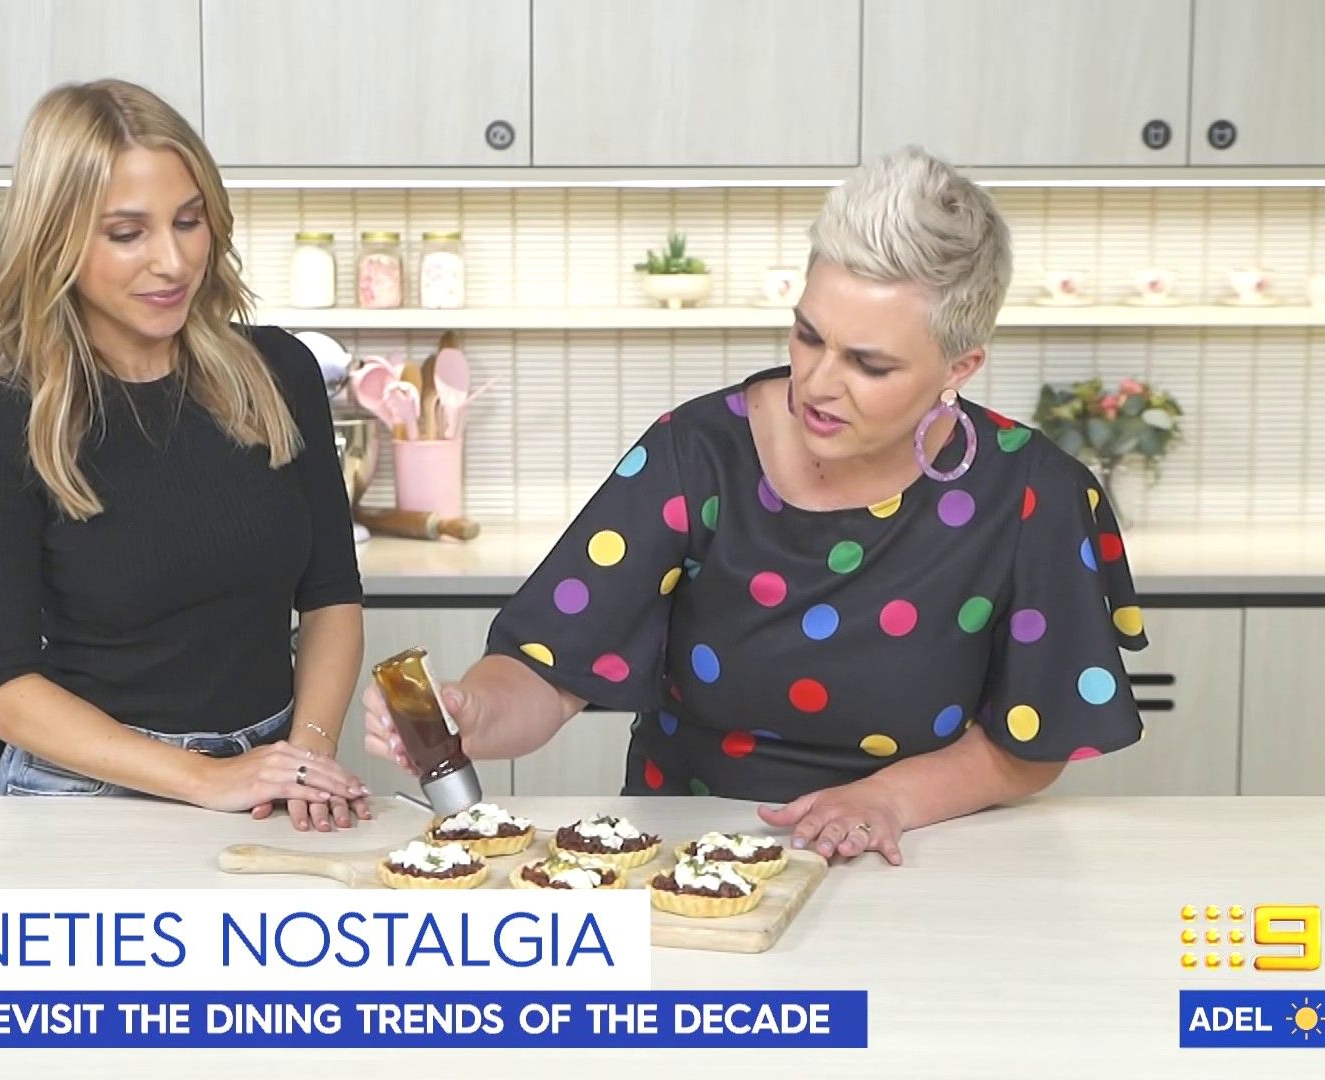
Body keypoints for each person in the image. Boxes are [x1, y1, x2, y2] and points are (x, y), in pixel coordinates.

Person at [364, 147, 1148, 863]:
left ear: (959, 367)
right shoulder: (697, 454)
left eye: (869, 364)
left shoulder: (1032, 495)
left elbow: (1033, 741)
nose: (818, 382)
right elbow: (548, 668)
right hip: (687, 855)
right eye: (808, 336)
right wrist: (474, 711)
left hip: (919, 854)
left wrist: (888, 799)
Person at [0, 79, 371, 831]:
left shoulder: (280, 374)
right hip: (86, 793)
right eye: (127, 234)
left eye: (188, 221)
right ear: (56, 240)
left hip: (269, 780)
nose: (173, 262)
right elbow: (4, 690)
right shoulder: (11, 419)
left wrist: (304, 754)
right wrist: (206, 777)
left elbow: (331, 598)